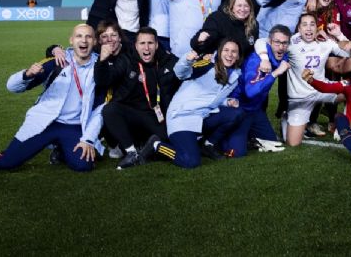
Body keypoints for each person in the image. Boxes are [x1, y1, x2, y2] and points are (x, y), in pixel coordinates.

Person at [0, 24, 103, 174]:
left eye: (88, 36)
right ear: (71, 40)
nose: (83, 40)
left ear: (95, 41)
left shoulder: (102, 68)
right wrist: (27, 74)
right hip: (46, 123)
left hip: (74, 126)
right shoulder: (56, 62)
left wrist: (88, 139)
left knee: (84, 165)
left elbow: (100, 109)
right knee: (9, 161)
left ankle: (61, 149)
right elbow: (12, 87)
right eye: (79, 36)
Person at [140, 40, 245, 169]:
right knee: (190, 161)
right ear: (219, 52)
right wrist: (187, 60)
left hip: (201, 116)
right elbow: (180, 73)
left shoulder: (234, 75)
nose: (230, 54)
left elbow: (210, 97)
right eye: (226, 50)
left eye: (234, 51)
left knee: (237, 113)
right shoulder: (207, 65)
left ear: (238, 56)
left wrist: (226, 102)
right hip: (182, 117)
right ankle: (156, 145)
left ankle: (207, 145)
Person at [253, 14, 351, 146]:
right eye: (304, 25)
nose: (309, 28)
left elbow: (350, 54)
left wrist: (339, 35)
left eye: (312, 24)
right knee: (293, 143)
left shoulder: (324, 42)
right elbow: (260, 42)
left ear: (316, 27)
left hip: (322, 90)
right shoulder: (291, 42)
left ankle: (347, 127)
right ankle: (287, 118)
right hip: (300, 97)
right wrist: (265, 59)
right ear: (299, 29)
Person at [95, 26, 180, 169]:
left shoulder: (167, 60)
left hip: (154, 115)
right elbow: (104, 80)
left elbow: (185, 68)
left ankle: (145, 149)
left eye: (150, 43)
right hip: (130, 113)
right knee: (110, 110)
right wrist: (102, 62)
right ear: (136, 45)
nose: (146, 48)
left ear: (157, 45)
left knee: (169, 140)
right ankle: (131, 152)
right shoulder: (126, 59)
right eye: (142, 43)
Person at [225, 25, 294, 157]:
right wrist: (275, 73)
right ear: (270, 42)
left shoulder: (281, 56)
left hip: (255, 110)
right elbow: (249, 92)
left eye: (284, 43)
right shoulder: (257, 61)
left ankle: (248, 136)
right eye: (277, 42)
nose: (281, 47)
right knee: (237, 152)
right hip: (239, 109)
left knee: (272, 141)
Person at [190, 0, 257, 58]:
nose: (243, 9)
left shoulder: (253, 23)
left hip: (240, 64)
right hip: (216, 62)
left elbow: (251, 50)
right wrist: (201, 41)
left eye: (246, 6)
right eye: (239, 6)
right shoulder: (218, 18)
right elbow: (210, 34)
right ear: (232, 7)